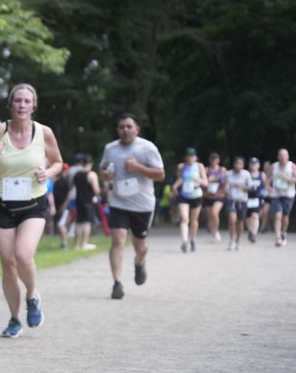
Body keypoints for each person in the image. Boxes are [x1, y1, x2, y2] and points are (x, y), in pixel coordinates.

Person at [0, 83, 63, 337]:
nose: (22, 105)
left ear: (34, 106)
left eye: (27, 101)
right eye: (18, 100)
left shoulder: (44, 132)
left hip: (33, 204)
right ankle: (14, 319)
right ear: (10, 104)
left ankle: (32, 296)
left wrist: (48, 173)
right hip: (2, 204)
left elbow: (58, 162)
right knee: (8, 264)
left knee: (23, 255)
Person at [99, 114, 166, 299]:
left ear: (137, 129)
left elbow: (160, 175)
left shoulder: (147, 148)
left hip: (143, 205)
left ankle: (139, 262)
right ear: (117, 130)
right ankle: (117, 284)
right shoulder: (110, 148)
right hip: (119, 202)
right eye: (122, 127)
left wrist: (137, 167)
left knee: (140, 245)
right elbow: (103, 168)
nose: (125, 130)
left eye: (129, 126)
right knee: (118, 240)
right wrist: (105, 174)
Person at [172, 147, 207, 253]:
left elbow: (206, 183)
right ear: (185, 157)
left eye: (192, 156)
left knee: (194, 220)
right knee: (184, 218)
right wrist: (174, 187)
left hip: (196, 195)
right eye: (188, 156)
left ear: (195, 157)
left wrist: (199, 180)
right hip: (184, 195)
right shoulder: (181, 166)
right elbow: (180, 179)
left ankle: (193, 239)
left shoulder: (199, 166)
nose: (190, 158)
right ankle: (184, 241)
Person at [265, 148, 296, 247]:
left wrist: (288, 179)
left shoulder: (292, 166)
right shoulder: (274, 166)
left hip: (288, 195)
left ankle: (283, 233)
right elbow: (266, 178)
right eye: (281, 155)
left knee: (285, 217)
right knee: (278, 215)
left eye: (285, 155)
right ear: (278, 157)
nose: (282, 157)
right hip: (276, 195)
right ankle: (278, 238)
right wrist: (267, 187)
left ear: (288, 156)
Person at [72, 154, 101, 250]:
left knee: (79, 222)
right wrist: (97, 194)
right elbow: (96, 190)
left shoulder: (77, 174)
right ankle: (84, 244)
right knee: (87, 222)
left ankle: (76, 245)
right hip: (88, 201)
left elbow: (71, 186)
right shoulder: (92, 174)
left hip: (78, 201)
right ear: (91, 163)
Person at [224, 156, 252, 250]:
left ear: (243, 165)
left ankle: (238, 240)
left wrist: (242, 186)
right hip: (231, 199)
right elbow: (225, 184)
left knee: (240, 222)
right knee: (232, 219)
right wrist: (226, 188)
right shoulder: (228, 174)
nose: (238, 165)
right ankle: (231, 239)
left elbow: (250, 187)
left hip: (242, 200)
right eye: (237, 163)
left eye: (240, 163)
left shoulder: (246, 174)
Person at [203, 152, 227, 241]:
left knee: (214, 212)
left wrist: (216, 179)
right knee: (210, 216)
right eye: (212, 159)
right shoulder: (206, 170)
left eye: (215, 159)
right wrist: (208, 181)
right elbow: (203, 181)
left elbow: (226, 181)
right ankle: (212, 230)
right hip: (208, 195)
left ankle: (216, 231)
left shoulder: (223, 170)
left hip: (219, 195)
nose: (213, 161)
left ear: (218, 160)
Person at [245, 157, 269, 243]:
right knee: (248, 217)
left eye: (255, 164)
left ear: (258, 165)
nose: (253, 166)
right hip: (248, 198)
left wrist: (266, 192)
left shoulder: (262, 175)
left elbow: (266, 185)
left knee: (255, 216)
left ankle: (254, 234)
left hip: (258, 198)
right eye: (252, 164)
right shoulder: (247, 174)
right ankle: (250, 231)